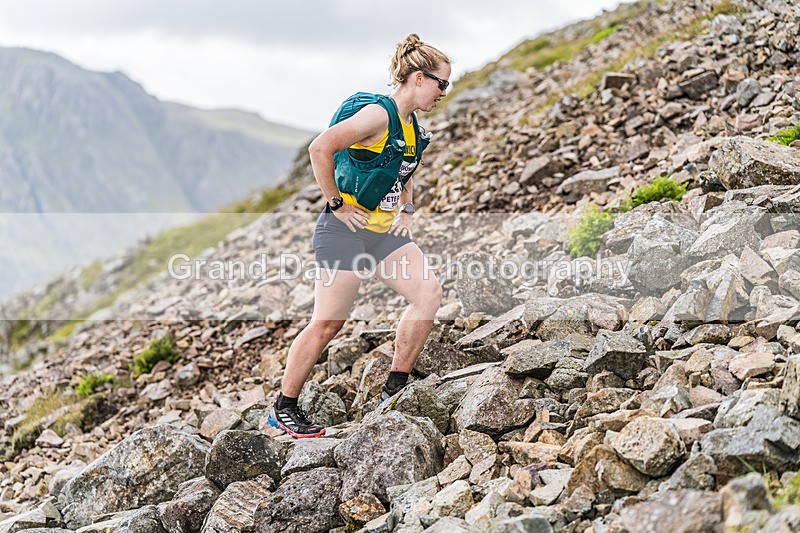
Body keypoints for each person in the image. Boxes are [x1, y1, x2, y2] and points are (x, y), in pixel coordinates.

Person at [267, 34, 451, 438]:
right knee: (329, 322)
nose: (443, 93)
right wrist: (335, 203)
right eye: (442, 83)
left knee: (428, 294)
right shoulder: (378, 115)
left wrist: (407, 208)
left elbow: (403, 172)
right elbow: (321, 148)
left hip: (383, 233)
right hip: (343, 231)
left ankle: (395, 389)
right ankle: (283, 407)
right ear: (419, 78)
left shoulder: (412, 127)